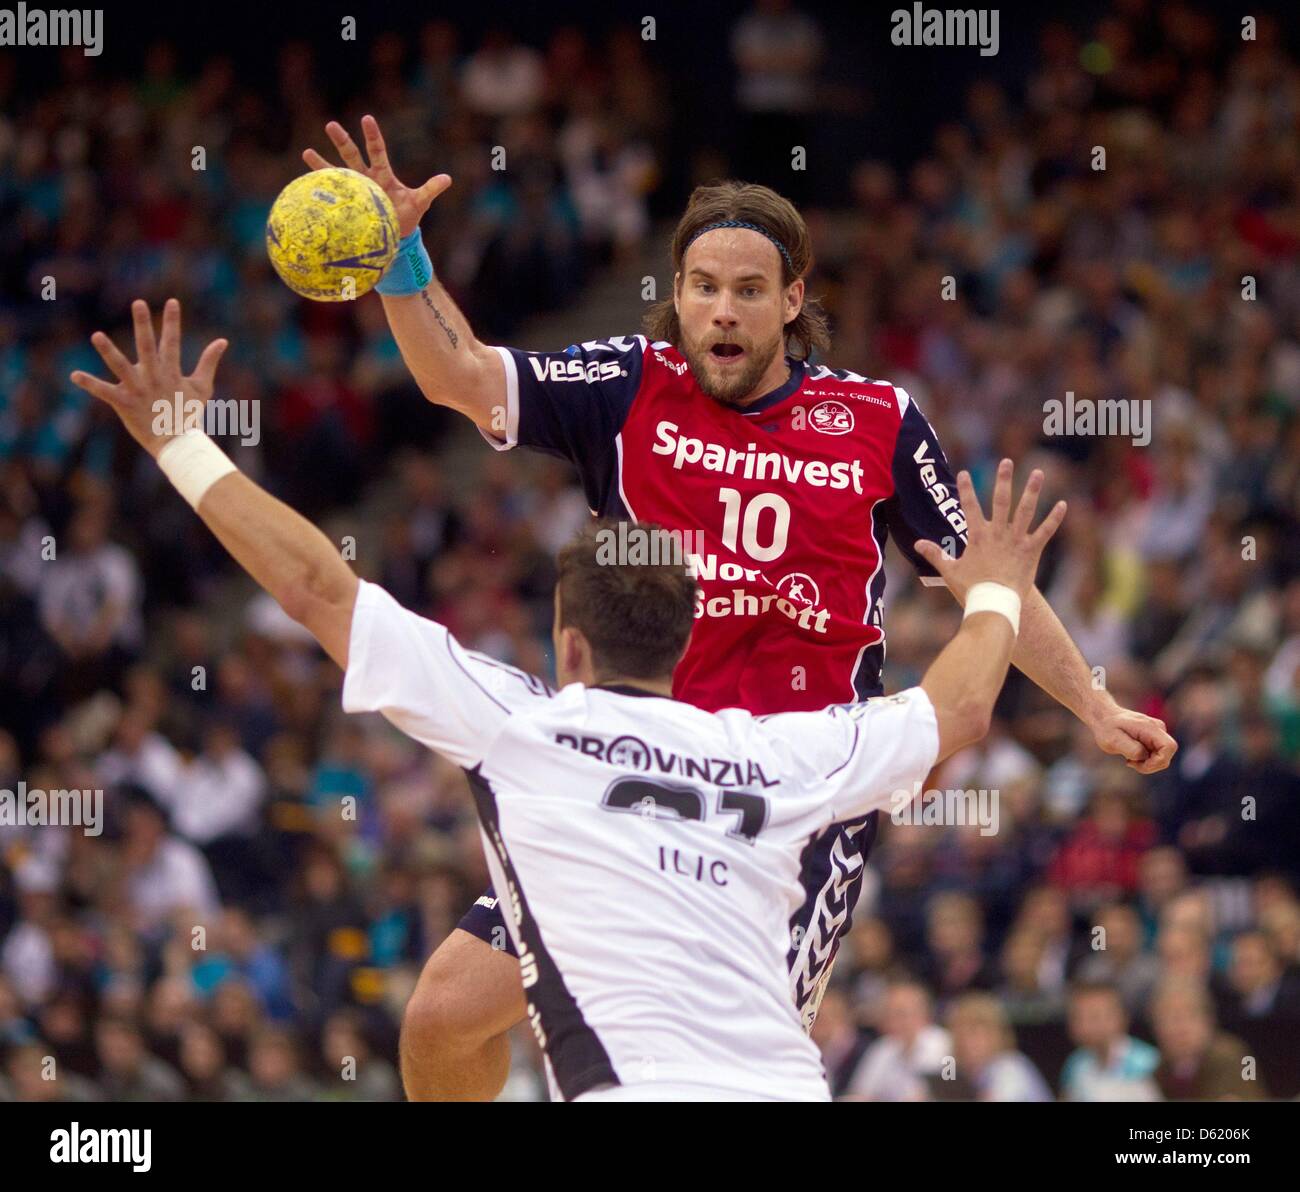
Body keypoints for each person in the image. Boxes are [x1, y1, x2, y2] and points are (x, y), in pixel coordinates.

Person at [300, 117, 1177, 1099]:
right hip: (629, 777)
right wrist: (402, 255)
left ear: (792, 300)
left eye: (749, 291)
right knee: (440, 1014)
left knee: (720, 1066)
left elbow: (992, 583)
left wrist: (1093, 706)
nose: (723, 311)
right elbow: (454, 376)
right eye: (703, 288)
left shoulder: (876, 422)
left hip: (789, 800)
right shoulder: (628, 387)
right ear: (675, 295)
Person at [72, 298, 1063, 1101]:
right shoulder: (788, 756)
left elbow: (317, 586)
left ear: (567, 640)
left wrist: (180, 445)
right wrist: (993, 589)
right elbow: (959, 708)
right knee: (443, 1013)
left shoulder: (524, 728)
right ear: (685, 641)